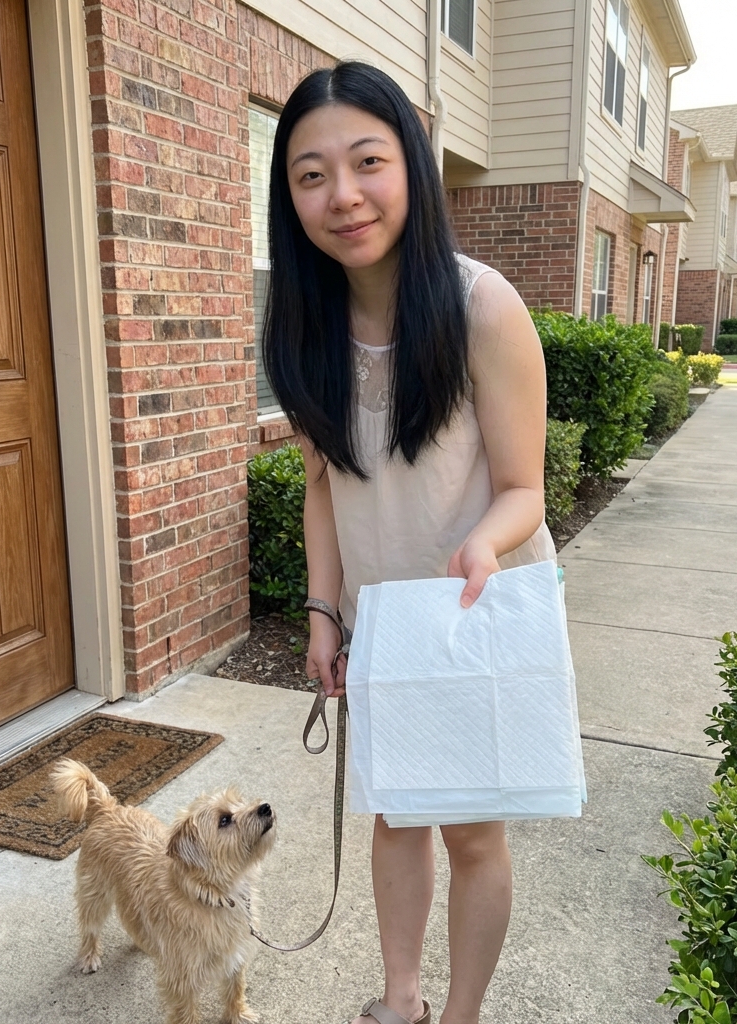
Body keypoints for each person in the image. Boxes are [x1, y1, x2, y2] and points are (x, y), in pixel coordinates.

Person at [262, 61, 556, 1024]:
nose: (342, 195)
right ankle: (402, 1001)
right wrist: (322, 613)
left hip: (472, 613)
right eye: (311, 174)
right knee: (395, 816)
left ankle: (459, 1016)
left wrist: (481, 546)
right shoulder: (304, 330)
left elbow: (522, 488)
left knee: (472, 834)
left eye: (367, 162)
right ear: (289, 194)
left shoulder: (483, 309)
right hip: (383, 622)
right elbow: (323, 486)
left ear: (412, 169)